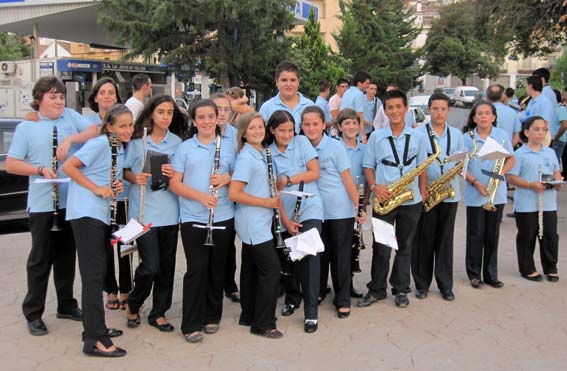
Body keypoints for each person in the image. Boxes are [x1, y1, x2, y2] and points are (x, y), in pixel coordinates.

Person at [6, 76, 98, 336]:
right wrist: (39, 169)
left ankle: (66, 304)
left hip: (72, 201)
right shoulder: (28, 126)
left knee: (67, 257)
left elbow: (94, 130)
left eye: (61, 96)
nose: (58, 101)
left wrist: (69, 141)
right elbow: (12, 163)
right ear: (40, 100)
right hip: (43, 202)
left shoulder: (69, 117)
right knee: (40, 259)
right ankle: (33, 312)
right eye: (52, 97)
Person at [62, 103, 134, 357]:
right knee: (93, 276)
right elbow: (69, 166)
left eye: (130, 124)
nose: (128, 129)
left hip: (100, 214)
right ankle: (96, 339)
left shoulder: (118, 147)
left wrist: (111, 184)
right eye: (122, 125)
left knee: (99, 272)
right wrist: (96, 188)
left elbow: (101, 173)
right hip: (85, 212)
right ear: (110, 126)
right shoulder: (101, 142)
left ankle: (94, 327)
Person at [169, 99, 236, 343]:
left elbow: (239, 175)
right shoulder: (185, 148)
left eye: (211, 116)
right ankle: (191, 323)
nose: (206, 121)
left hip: (223, 215)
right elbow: (174, 182)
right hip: (193, 217)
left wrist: (226, 178)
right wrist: (200, 196)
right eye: (201, 118)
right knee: (196, 269)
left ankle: (212, 316)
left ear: (217, 118)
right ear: (194, 121)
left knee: (217, 270)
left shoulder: (228, 146)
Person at [358, 89, 428, 309]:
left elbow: (422, 168)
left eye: (399, 107)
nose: (395, 111)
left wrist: (423, 192)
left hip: (410, 200)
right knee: (382, 246)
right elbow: (369, 167)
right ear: (385, 111)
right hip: (385, 199)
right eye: (390, 107)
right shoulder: (377, 137)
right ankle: (376, 289)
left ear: (406, 109)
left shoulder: (418, 136)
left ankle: (400, 289)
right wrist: (375, 187)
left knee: (405, 246)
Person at [123, 95, 184, 333]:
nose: (166, 117)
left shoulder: (177, 142)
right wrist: (134, 177)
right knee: (150, 266)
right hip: (144, 213)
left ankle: (159, 312)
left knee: (167, 268)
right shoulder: (138, 142)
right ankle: (134, 303)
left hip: (170, 212)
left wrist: (172, 173)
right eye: (161, 112)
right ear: (151, 114)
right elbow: (125, 170)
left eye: (169, 113)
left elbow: (182, 175)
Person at [301, 105, 363, 318]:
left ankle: (343, 298)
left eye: (315, 124)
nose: (311, 128)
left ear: (324, 125)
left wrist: (358, 207)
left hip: (339, 211)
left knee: (341, 257)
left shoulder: (335, 147)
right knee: (318, 254)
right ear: (301, 126)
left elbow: (347, 178)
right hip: (312, 212)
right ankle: (318, 291)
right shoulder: (299, 146)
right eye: (307, 124)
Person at [266, 110, 322, 333]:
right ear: (272, 130)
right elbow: (273, 191)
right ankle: (292, 298)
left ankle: (311, 312)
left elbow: (314, 172)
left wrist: (288, 179)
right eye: (282, 130)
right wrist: (286, 221)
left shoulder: (301, 142)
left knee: (309, 256)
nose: (288, 134)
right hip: (284, 212)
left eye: (290, 129)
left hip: (310, 208)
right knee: (288, 258)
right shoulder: (267, 152)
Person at [228, 112, 283, 339]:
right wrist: (266, 202)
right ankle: (263, 323)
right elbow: (234, 193)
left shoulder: (261, 153)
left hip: (261, 220)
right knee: (271, 271)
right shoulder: (246, 158)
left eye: (260, 127)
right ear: (243, 133)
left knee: (251, 270)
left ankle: (249, 315)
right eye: (252, 128)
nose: (258, 131)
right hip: (253, 221)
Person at [411, 93, 464, 302]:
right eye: (435, 109)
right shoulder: (419, 133)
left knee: (445, 241)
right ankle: (421, 285)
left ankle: (445, 285)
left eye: (443, 109)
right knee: (423, 241)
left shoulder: (457, 134)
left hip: (449, 195)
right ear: (429, 110)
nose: (439, 113)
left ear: (448, 111)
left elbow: (461, 160)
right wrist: (424, 188)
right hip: (426, 193)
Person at [86, 77, 132, 311]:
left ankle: (126, 289)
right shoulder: (88, 123)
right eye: (102, 92)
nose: (107, 96)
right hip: (101, 198)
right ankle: (110, 290)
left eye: (111, 92)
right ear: (95, 97)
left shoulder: (125, 122)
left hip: (122, 196)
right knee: (105, 247)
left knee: (123, 244)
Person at [462, 100, 515, 289]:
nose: (483, 116)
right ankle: (474, 274)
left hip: (496, 194)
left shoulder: (501, 136)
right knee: (475, 235)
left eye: (487, 113)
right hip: (475, 193)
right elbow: (462, 166)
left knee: (492, 235)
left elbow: (511, 158)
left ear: (493, 117)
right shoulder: (467, 138)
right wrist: (475, 183)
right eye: (480, 113)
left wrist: (501, 173)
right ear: (474, 118)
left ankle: (491, 274)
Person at [507, 116, 562, 282]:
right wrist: (530, 185)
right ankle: (527, 268)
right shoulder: (519, 154)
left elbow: (556, 173)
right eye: (536, 129)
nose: (540, 133)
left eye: (543, 129)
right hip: (527, 203)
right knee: (527, 235)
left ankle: (550, 268)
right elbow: (511, 178)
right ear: (526, 132)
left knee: (550, 236)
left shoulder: (550, 152)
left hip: (548, 203)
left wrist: (557, 182)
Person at [335, 109, 370, 298]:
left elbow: (369, 175)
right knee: (338, 247)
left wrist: (363, 204)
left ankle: (347, 285)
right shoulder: (335, 147)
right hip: (340, 203)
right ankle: (333, 286)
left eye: (354, 123)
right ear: (339, 127)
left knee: (352, 245)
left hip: (358, 202)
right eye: (346, 123)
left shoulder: (365, 148)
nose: (351, 127)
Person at [210, 93, 240, 303]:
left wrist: (227, 178)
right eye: (217, 109)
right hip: (205, 202)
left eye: (225, 109)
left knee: (228, 247)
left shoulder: (237, 136)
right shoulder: (200, 133)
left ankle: (229, 285)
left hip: (229, 200)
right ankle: (211, 285)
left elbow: (243, 168)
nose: (221, 113)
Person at [259, 60, 314, 134]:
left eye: (293, 80)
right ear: (277, 82)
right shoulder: (267, 108)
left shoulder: (310, 106)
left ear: (298, 82)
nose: (288, 84)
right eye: (284, 80)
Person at [340, 71, 370, 142]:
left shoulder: (347, 92)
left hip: (344, 130)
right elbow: (360, 116)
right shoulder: (359, 94)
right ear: (359, 83)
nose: (368, 86)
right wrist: (364, 137)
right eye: (367, 83)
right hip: (354, 133)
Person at [550, 89, 567, 165]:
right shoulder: (555, 109)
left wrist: (557, 137)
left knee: (555, 162)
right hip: (555, 139)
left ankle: (557, 176)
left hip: (558, 140)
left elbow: (564, 125)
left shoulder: (561, 109)